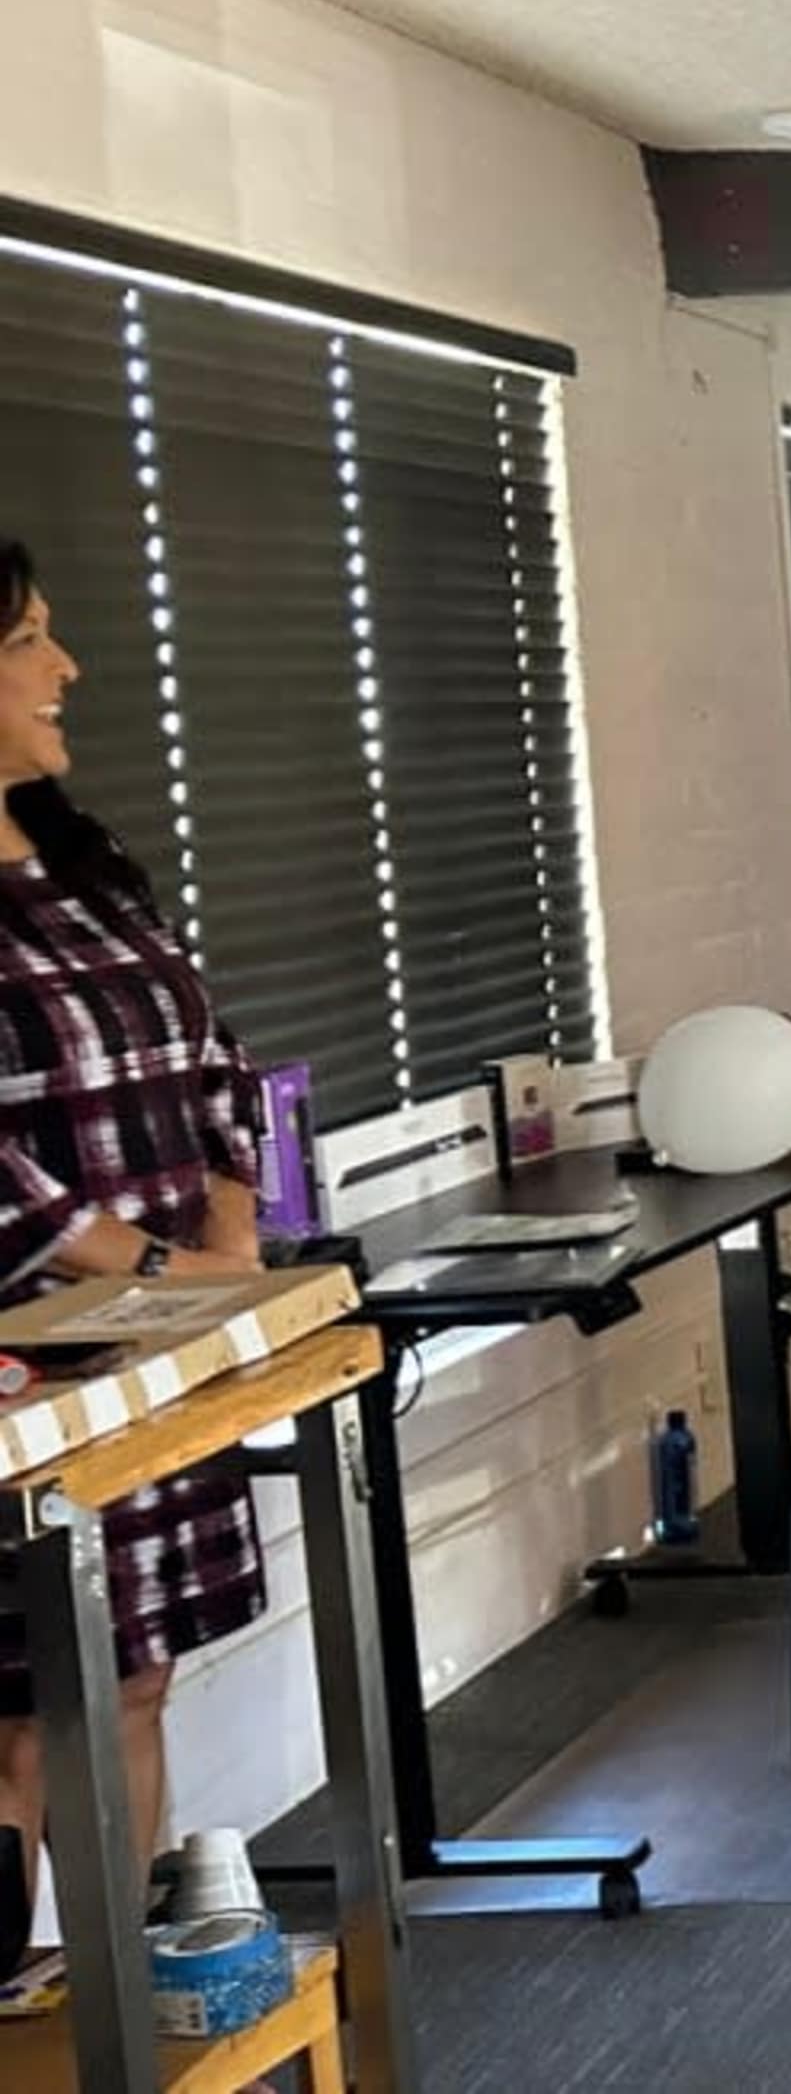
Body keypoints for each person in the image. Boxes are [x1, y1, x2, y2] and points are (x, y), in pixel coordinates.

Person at [0, 541, 276, 1919]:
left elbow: (215, 1054)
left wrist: (229, 1241)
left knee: (133, 1674)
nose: (68, 670)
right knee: (32, 1709)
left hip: (167, 1355)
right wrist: (171, 1277)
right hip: (36, 1383)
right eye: (28, 642)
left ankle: (118, 1999)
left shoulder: (82, 867)